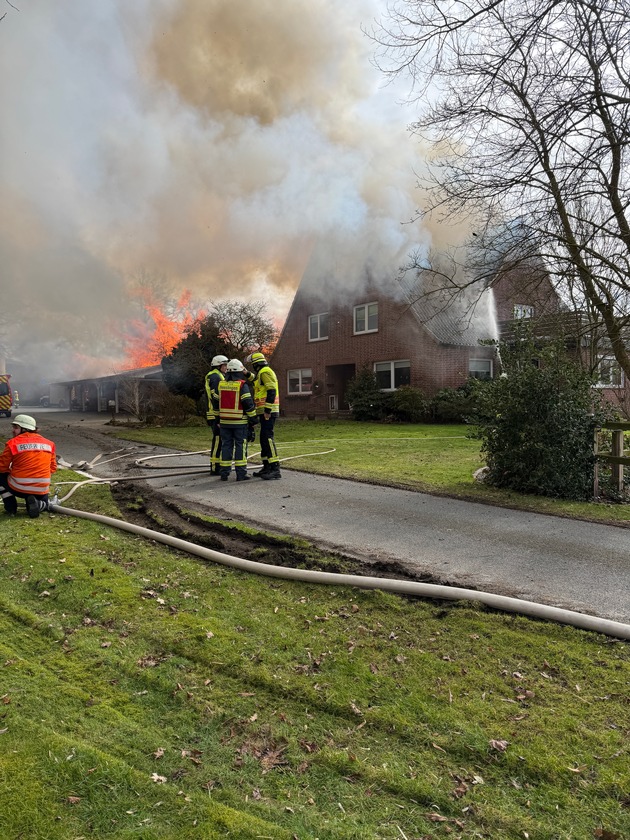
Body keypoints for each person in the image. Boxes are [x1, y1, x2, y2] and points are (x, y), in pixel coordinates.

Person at [0, 414, 57, 518]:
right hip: (42, 489)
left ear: (24, 429)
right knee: (36, 501)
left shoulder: (13, 443)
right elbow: (53, 468)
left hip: (19, 488)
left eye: (16, 428)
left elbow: (2, 467)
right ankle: (39, 503)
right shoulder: (49, 444)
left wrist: (13, 470)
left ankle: (11, 507)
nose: (13, 430)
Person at [213, 359, 258, 482]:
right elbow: (248, 404)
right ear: (239, 372)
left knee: (226, 446)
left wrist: (217, 419)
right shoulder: (242, 385)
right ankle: (241, 474)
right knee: (240, 446)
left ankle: (224, 473)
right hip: (240, 423)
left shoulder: (221, 385)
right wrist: (253, 420)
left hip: (224, 423)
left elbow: (216, 404)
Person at [245, 351, 281, 480]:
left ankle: (275, 468)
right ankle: (266, 467)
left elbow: (272, 390)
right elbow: (255, 381)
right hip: (265, 412)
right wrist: (246, 374)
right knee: (263, 439)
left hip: (268, 412)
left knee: (268, 438)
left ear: (256, 364)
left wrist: (267, 410)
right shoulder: (262, 373)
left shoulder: (265, 372)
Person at [204, 355, 228, 475]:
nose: (226, 367)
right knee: (218, 440)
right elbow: (216, 396)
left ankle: (218, 465)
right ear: (218, 366)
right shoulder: (214, 376)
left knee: (220, 439)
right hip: (215, 414)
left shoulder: (218, 376)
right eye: (224, 365)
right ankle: (215, 467)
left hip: (216, 413)